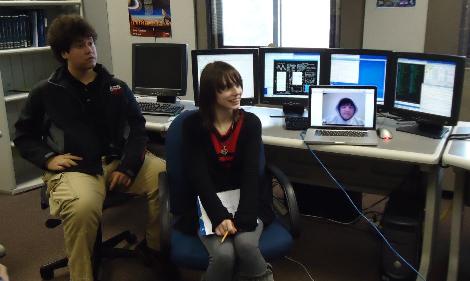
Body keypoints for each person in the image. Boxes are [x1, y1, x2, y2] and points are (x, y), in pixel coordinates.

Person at [14, 15, 168, 281]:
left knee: (165, 176)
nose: (90, 50)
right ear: (64, 53)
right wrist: (48, 158)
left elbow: (137, 127)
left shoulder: (116, 87)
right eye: (80, 46)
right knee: (83, 207)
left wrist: (129, 166)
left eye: (91, 43)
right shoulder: (46, 92)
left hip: (117, 162)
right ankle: (82, 275)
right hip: (78, 168)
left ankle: (155, 248)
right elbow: (24, 135)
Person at [179, 61, 275, 281]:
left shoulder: (250, 123)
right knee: (224, 255)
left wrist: (245, 219)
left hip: (246, 200)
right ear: (211, 94)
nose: (237, 92)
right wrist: (218, 216)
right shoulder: (193, 125)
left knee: (246, 245)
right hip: (209, 201)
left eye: (238, 85)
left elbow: (251, 173)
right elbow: (198, 176)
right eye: (227, 88)